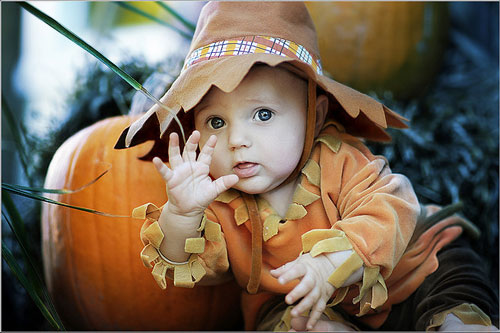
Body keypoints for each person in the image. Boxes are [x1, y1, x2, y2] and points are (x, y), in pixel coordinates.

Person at [115, 2, 498, 331]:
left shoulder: (336, 157)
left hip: (412, 271)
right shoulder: (217, 196)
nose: (236, 140)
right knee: (288, 319)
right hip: (301, 301)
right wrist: (182, 213)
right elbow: (197, 268)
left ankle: (456, 320)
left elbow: (393, 206)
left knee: (451, 286)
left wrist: (328, 263)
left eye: (263, 114)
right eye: (216, 122)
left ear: (312, 115)